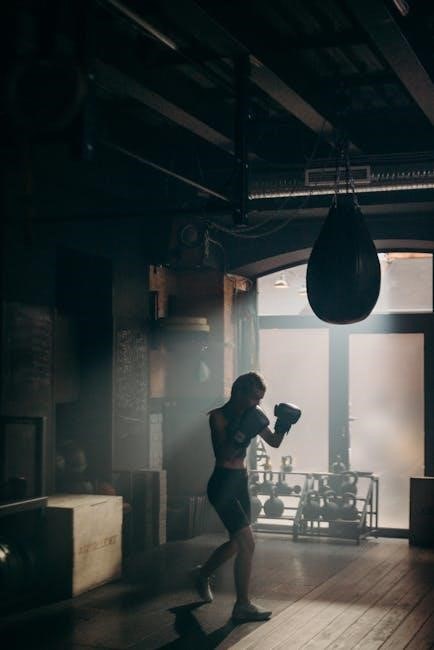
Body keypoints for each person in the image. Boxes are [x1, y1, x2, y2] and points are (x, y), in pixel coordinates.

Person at [192, 372, 300, 622]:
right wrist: (242, 433)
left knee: (236, 543)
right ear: (238, 392)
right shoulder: (218, 417)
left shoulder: (254, 415)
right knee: (247, 544)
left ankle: (202, 574)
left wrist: (283, 424)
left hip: (240, 482)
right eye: (254, 398)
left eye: (260, 399)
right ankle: (242, 605)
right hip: (222, 484)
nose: (257, 403)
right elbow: (224, 454)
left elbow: (274, 442)